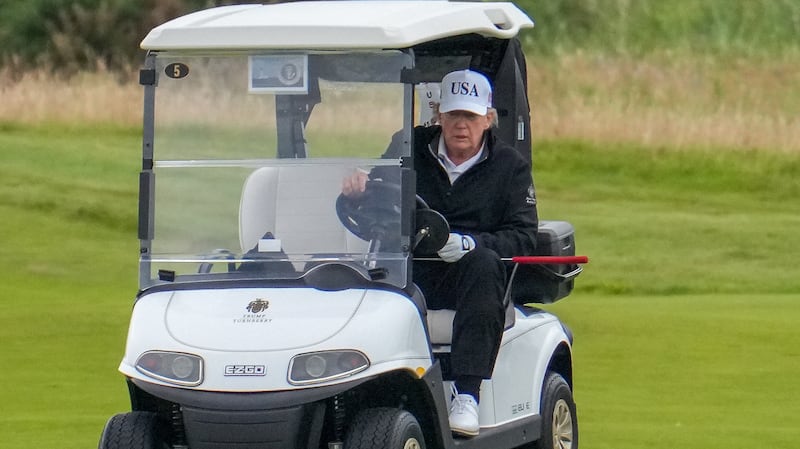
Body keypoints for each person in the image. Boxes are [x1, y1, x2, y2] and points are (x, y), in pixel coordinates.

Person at [342, 69, 538, 437]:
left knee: (484, 264)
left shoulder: (510, 167)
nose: (460, 125)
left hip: (468, 275)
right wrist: (359, 191)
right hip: (408, 266)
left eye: (470, 116)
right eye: (453, 115)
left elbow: (524, 237)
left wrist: (471, 243)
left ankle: (466, 393)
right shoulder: (410, 145)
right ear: (439, 115)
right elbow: (381, 199)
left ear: (488, 119)